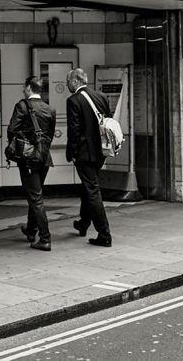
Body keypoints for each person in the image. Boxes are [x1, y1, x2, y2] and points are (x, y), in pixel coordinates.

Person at [8, 76, 56, 251]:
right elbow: (49, 136)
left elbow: (12, 130)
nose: (23, 90)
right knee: (35, 193)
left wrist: (22, 146)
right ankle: (30, 229)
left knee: (36, 198)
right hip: (44, 158)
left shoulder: (22, 106)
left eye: (24, 87)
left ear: (29, 88)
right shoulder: (50, 109)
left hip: (29, 159)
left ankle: (45, 238)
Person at [65, 68, 112, 247]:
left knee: (92, 190)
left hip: (84, 154)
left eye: (68, 81)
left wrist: (71, 154)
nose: (67, 84)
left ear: (76, 81)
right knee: (88, 187)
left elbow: (74, 131)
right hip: (101, 152)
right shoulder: (101, 97)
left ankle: (104, 234)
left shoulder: (74, 101)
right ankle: (83, 223)